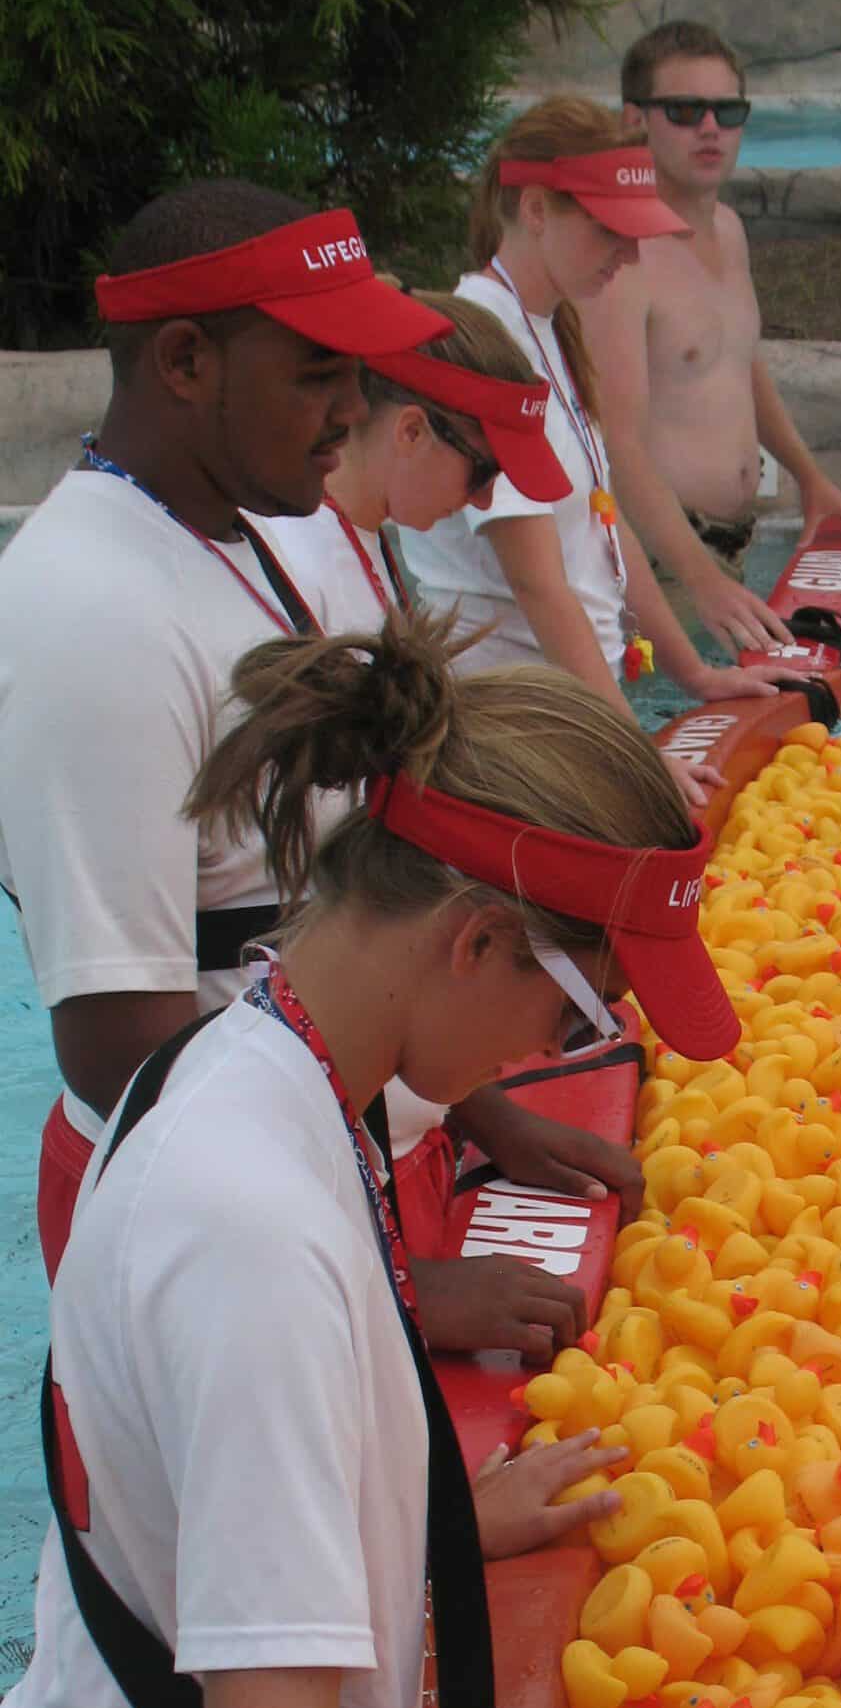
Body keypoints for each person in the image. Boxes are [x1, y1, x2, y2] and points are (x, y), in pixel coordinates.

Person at [0, 608, 738, 1708]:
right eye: (580, 1014)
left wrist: (431, 1521)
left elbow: (195, 1502)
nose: (573, 1052)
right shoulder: (256, 1230)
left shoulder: (257, 1069)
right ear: (475, 937)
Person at [0, 184, 619, 1360]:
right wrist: (396, 1290)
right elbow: (122, 1043)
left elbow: (330, 894)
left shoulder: (228, 536)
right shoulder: (92, 615)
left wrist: (472, 1104)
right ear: (186, 361)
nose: (352, 408)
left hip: (300, 1185)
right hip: (201, 1243)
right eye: (319, 374)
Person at [250, 294, 651, 1265]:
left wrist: (482, 1115)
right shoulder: (296, 575)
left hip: (377, 1119)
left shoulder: (365, 551)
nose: (482, 504)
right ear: (411, 429)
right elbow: (314, 918)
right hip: (314, 1147)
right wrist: (405, 1285)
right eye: (481, 472)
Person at [399, 98, 778, 788]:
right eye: (609, 230)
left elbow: (605, 524)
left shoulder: (550, 327)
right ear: (536, 209)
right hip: (513, 732)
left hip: (564, 714)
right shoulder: (486, 345)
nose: (629, 256)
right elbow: (539, 584)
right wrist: (634, 751)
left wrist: (694, 673)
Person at [580, 20, 841, 645]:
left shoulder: (728, 229)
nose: (710, 128)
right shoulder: (619, 259)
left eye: (727, 111)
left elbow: (739, 362)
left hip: (724, 555)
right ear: (634, 121)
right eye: (684, 110)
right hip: (659, 565)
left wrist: (811, 479)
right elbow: (617, 446)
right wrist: (702, 583)